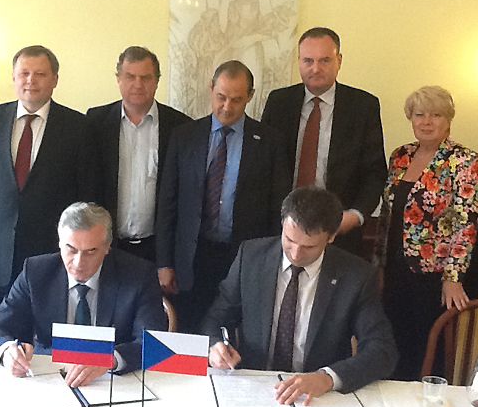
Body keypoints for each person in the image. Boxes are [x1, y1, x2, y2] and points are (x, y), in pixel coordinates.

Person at [202, 187, 398, 405]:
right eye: (289, 240)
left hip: (317, 396)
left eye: (309, 247)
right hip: (255, 387)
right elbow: (215, 318)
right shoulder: (251, 257)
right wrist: (215, 345)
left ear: (331, 237)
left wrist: (327, 378)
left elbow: (382, 350)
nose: (295, 254)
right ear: (282, 224)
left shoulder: (356, 276)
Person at [156, 60, 291, 333]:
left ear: (250, 96)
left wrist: (272, 264)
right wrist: (164, 263)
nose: (227, 107)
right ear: (211, 89)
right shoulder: (184, 136)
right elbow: (168, 204)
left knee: (237, 335)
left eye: (236, 99)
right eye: (221, 97)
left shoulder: (270, 142)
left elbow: (278, 209)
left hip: (243, 258)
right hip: (192, 258)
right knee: (189, 334)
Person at [0, 202, 167, 387]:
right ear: (60, 243)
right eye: (71, 250)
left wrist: (110, 358)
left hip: (114, 383)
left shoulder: (138, 275)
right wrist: (7, 352)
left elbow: (153, 344)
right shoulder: (36, 272)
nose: (78, 263)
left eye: (91, 251)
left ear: (107, 247)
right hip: (49, 378)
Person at [0, 45, 88, 312]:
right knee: (3, 322)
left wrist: (83, 248)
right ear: (14, 78)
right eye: (24, 73)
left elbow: (86, 193)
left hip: (52, 249)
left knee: (48, 322)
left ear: (55, 80)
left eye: (40, 74)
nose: (31, 80)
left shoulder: (77, 126)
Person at [377, 86, 478, 381]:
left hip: (434, 276)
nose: (427, 121)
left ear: (448, 120)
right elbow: (386, 216)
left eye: (436, 115)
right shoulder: (400, 156)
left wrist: (453, 278)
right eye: (420, 114)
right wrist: (378, 266)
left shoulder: (464, 161)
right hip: (395, 270)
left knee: (427, 350)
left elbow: (466, 223)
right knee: (393, 342)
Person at [261, 27, 387, 257]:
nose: (315, 68)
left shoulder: (363, 106)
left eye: (324, 60)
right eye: (308, 60)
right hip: (283, 229)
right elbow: (264, 163)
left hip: (338, 230)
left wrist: (356, 215)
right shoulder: (279, 102)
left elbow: (374, 172)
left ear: (339, 61)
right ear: (298, 61)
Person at [84, 46, 191, 262]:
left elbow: (182, 194)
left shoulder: (180, 126)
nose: (138, 84)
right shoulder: (95, 122)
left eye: (146, 77)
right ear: (119, 79)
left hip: (157, 248)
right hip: (107, 245)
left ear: (157, 81)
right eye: (130, 76)